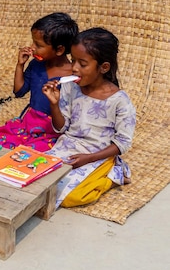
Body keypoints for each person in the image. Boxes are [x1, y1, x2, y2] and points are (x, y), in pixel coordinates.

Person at [42, 27, 136, 208]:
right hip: (67, 148)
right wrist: (54, 103)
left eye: (82, 64)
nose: (74, 68)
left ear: (104, 67)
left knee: (72, 197)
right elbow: (61, 128)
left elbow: (122, 143)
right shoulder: (70, 88)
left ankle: (114, 174)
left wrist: (89, 158)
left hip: (99, 154)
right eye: (73, 60)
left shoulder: (120, 101)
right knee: (39, 180)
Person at [0, 13, 79, 151]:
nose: (32, 47)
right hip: (28, 123)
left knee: (35, 152)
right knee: (2, 142)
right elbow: (19, 91)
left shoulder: (72, 77)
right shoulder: (36, 65)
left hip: (52, 130)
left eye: (38, 45)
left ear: (59, 50)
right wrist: (20, 65)